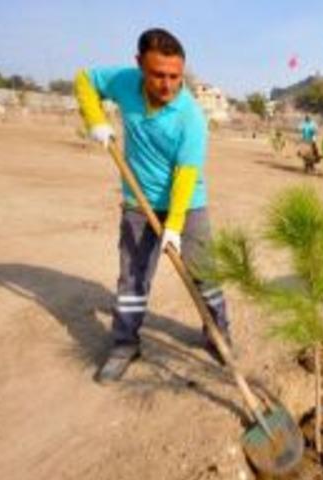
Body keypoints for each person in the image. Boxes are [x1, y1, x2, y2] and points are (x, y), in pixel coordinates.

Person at [74, 28, 230, 383]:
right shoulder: (124, 82)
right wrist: (95, 120)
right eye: (158, 74)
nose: (167, 84)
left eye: (175, 76)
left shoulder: (189, 116)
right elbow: (84, 79)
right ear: (139, 65)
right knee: (133, 277)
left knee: (205, 275)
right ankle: (125, 344)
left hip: (188, 206)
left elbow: (187, 175)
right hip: (137, 203)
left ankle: (218, 336)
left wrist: (174, 225)